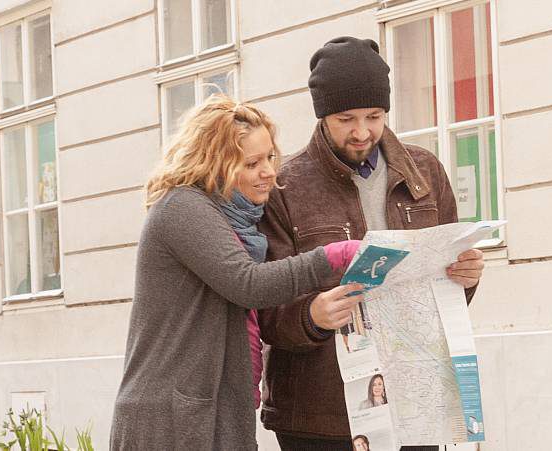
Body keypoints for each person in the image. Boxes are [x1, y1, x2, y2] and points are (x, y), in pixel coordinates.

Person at [260, 36, 488, 451]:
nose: (362, 131)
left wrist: (467, 276)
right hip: (319, 414)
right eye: (346, 118)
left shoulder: (426, 172)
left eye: (374, 115)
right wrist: (311, 315)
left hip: (413, 401)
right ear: (323, 115)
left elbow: (446, 284)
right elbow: (264, 306)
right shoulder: (283, 187)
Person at [110, 95, 372, 451]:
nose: (268, 171)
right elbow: (248, 284)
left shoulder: (238, 222)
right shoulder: (183, 208)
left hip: (210, 412)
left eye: (269, 158)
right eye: (251, 163)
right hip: (171, 420)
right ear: (214, 165)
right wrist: (336, 255)